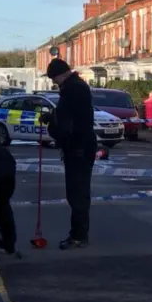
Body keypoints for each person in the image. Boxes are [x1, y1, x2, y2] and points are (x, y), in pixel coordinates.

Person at [40, 58, 97, 250]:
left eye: (54, 77)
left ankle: (79, 236)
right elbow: (68, 115)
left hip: (78, 148)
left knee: (77, 193)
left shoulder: (73, 89)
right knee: (77, 193)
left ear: (62, 73)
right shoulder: (75, 87)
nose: (53, 82)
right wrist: (53, 117)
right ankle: (78, 234)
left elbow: (69, 122)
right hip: (80, 146)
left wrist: (53, 127)